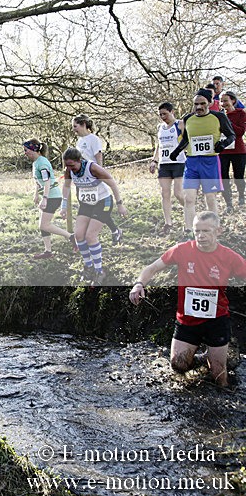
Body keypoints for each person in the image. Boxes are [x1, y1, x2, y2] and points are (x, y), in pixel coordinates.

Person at [129, 211, 244, 388]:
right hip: (188, 320)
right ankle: (203, 358)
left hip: (217, 320)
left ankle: (217, 366)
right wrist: (138, 284)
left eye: (206, 231)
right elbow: (152, 268)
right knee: (178, 365)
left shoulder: (228, 257)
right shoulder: (182, 250)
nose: (201, 236)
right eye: (197, 231)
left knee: (219, 376)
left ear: (218, 231)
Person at [169, 88, 235, 239]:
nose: (199, 107)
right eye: (196, 104)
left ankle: (213, 228)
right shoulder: (188, 119)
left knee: (210, 197)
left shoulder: (219, 117)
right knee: (189, 198)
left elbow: (232, 135)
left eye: (202, 104)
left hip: (210, 162)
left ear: (210, 103)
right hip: (192, 162)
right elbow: (187, 139)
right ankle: (189, 230)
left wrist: (223, 144)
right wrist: (177, 151)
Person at [60, 147, 128, 285]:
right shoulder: (69, 170)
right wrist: (63, 206)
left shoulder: (93, 168)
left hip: (103, 201)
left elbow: (112, 183)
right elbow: (66, 187)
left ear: (79, 161)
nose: (70, 168)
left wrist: (120, 204)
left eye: (72, 165)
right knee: (79, 235)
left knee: (90, 236)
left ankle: (99, 271)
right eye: (67, 166)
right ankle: (88, 266)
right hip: (86, 203)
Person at [72, 114, 123, 244]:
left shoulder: (93, 139)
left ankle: (111, 231)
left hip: (93, 176)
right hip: (82, 179)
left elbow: (98, 157)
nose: (73, 129)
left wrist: (100, 173)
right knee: (88, 205)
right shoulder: (79, 141)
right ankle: (114, 230)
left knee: (99, 204)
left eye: (75, 126)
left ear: (83, 124)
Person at [23, 139, 74, 259]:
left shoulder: (43, 163)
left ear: (33, 149)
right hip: (47, 196)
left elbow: (46, 181)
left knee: (44, 225)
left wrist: (45, 198)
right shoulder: (36, 162)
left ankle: (71, 237)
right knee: (42, 225)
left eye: (26, 150)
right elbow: (38, 181)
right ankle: (48, 251)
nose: (25, 153)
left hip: (52, 197)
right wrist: (36, 194)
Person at [148, 102, 186, 235]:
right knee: (165, 194)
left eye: (165, 114)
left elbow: (188, 139)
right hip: (164, 164)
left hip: (179, 162)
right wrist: (154, 160)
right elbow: (159, 145)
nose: (163, 117)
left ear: (172, 112)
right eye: (160, 115)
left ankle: (189, 211)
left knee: (178, 193)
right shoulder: (160, 127)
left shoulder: (180, 124)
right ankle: (168, 223)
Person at [220, 91, 246, 211]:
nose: (223, 103)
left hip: (238, 150)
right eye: (221, 101)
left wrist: (228, 122)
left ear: (233, 101)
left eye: (225, 100)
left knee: (238, 176)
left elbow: (240, 131)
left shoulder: (241, 113)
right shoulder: (218, 115)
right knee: (224, 177)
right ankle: (228, 202)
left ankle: (241, 195)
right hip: (223, 150)